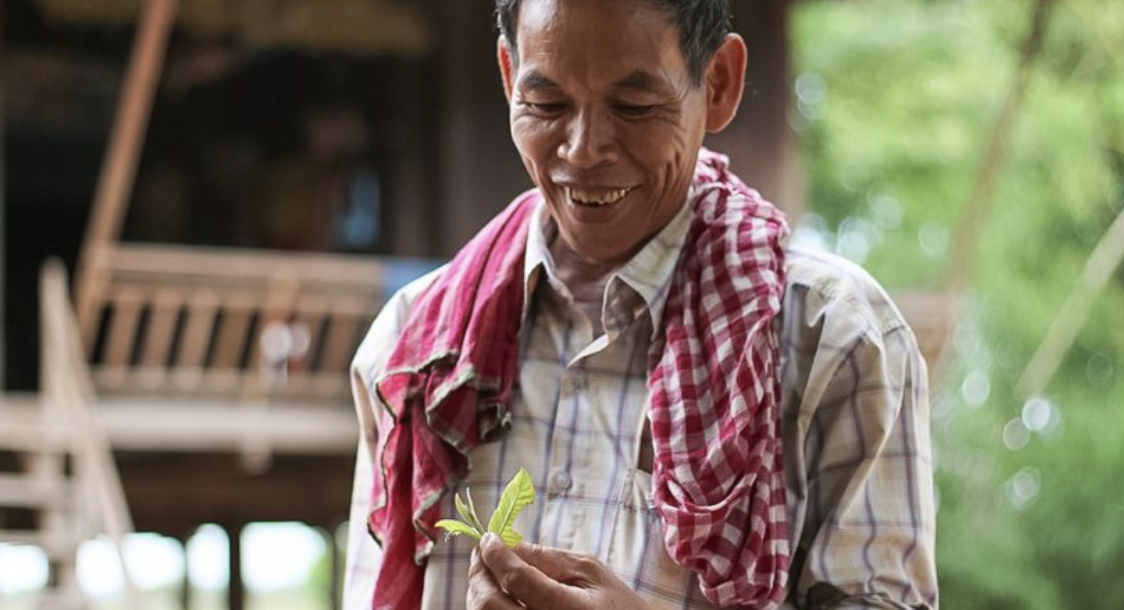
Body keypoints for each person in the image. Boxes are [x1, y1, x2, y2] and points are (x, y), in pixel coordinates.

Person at [344, 0, 938, 608]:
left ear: (719, 84)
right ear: (507, 76)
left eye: (632, 106)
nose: (582, 149)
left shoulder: (833, 339)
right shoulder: (415, 350)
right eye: (547, 104)